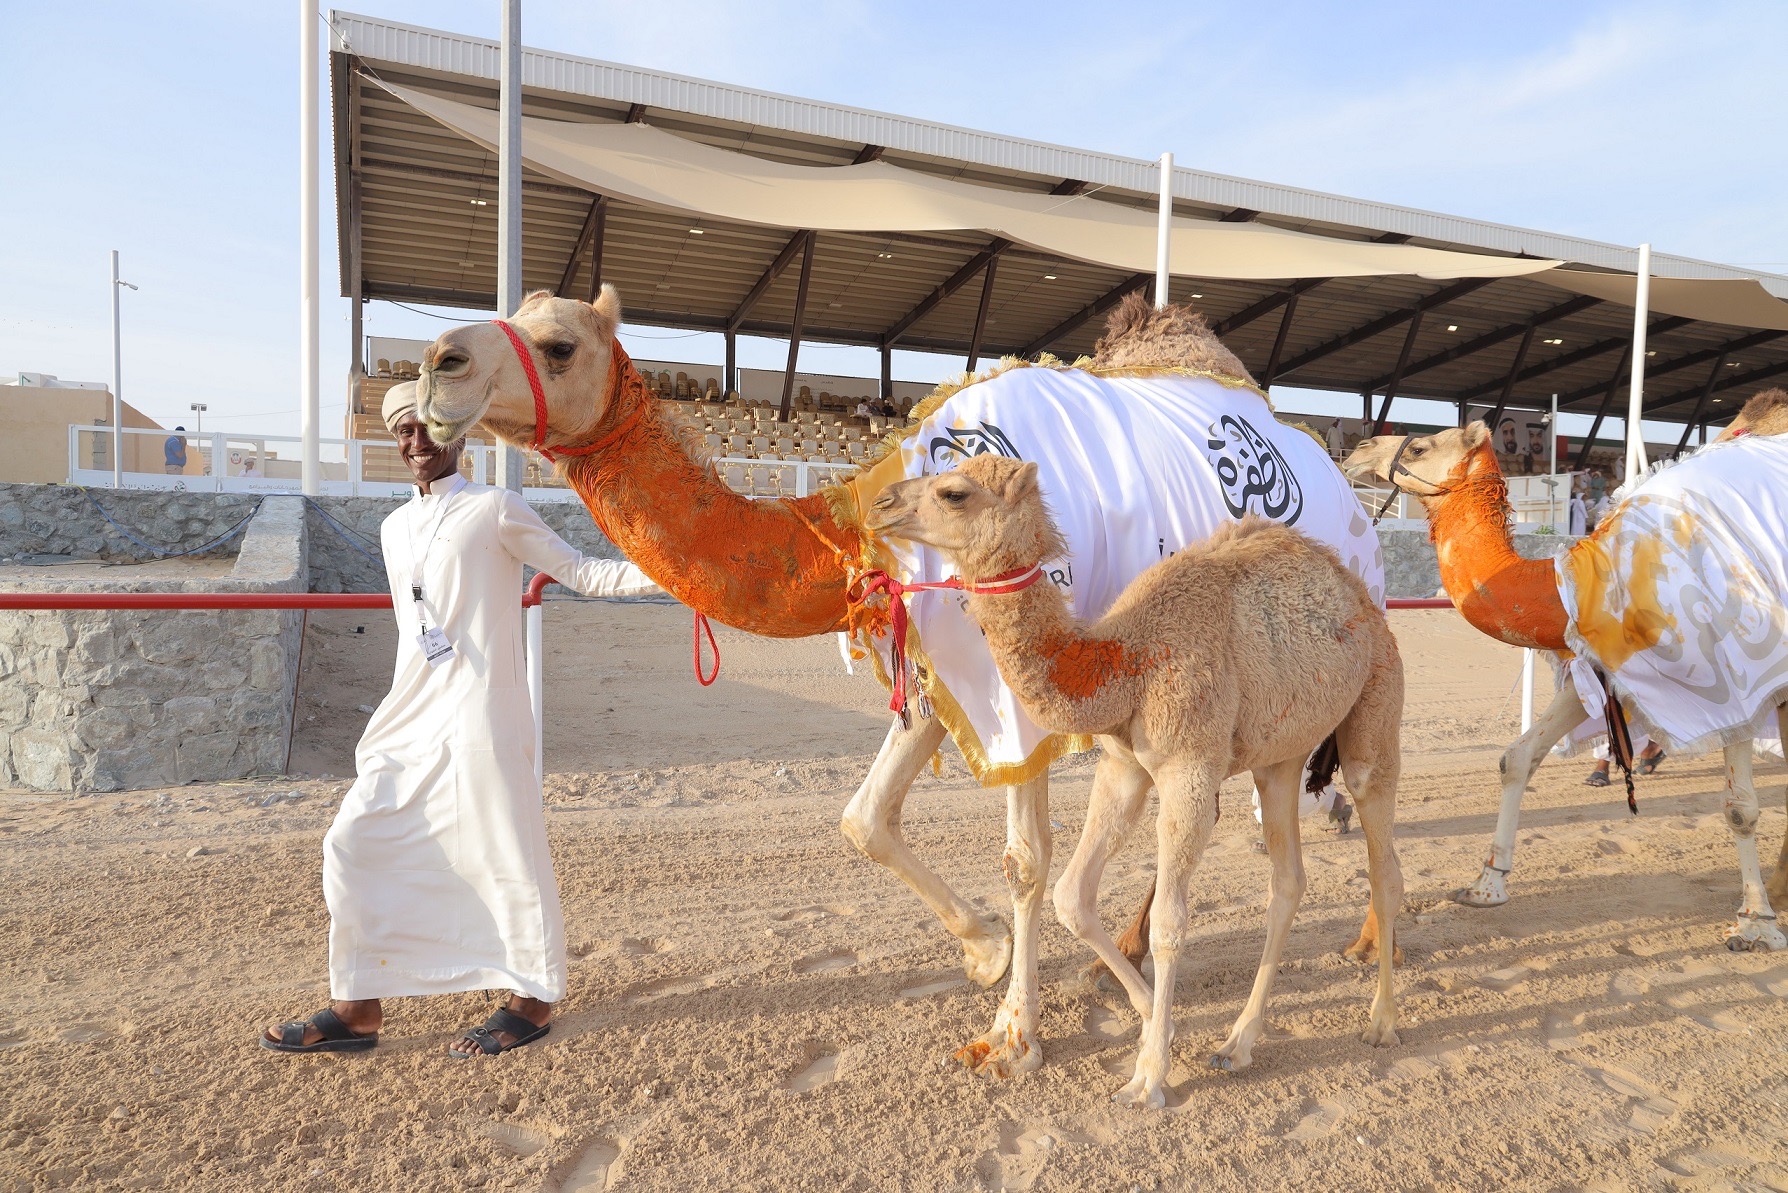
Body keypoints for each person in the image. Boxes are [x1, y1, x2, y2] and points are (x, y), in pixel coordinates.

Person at [262, 382, 661, 1059]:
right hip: (411, 710)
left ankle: (531, 997)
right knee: (354, 842)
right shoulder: (392, 528)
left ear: (460, 433)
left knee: (504, 848)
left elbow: (584, 573)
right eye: (405, 432)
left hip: (483, 711)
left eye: (430, 428)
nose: (417, 442)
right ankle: (357, 1006)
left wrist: (677, 573)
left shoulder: (496, 508)